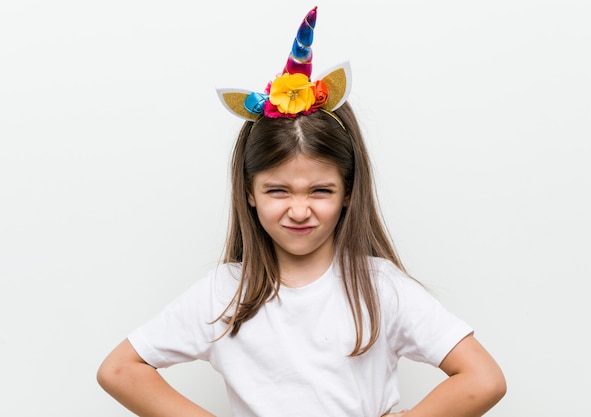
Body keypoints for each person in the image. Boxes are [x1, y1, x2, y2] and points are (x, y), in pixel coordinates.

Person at [97, 7, 506, 417]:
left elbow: (483, 379)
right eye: (277, 190)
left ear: (348, 191)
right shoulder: (223, 293)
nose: (298, 210)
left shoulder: (380, 288)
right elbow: (119, 369)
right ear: (249, 192)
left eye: (320, 191)